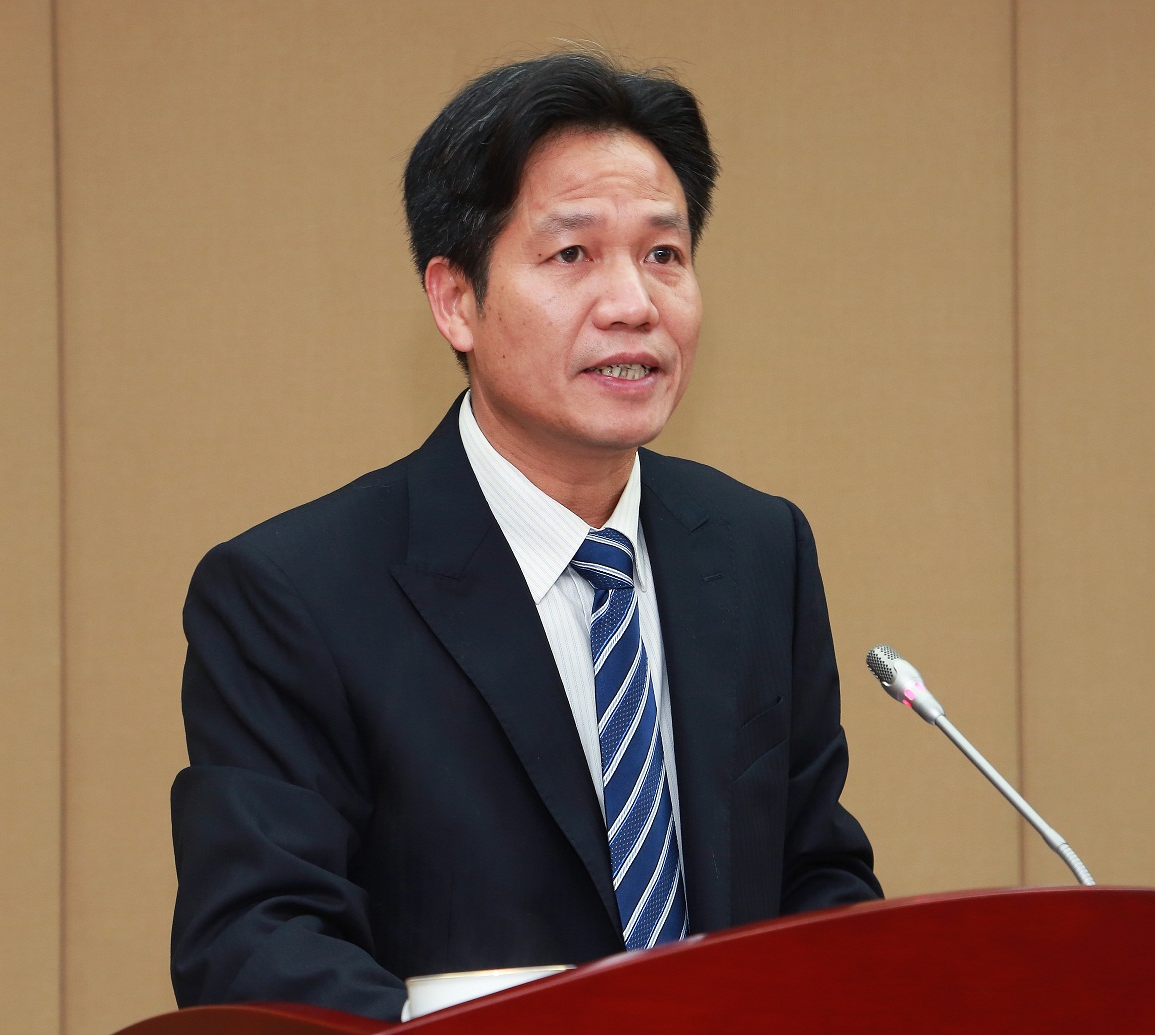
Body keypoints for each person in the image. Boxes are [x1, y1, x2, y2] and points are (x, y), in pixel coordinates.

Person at [170, 50, 881, 1022]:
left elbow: (818, 879)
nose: (633, 303)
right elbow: (257, 942)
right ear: (455, 300)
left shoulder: (760, 550)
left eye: (664, 254)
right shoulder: (292, 593)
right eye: (572, 254)